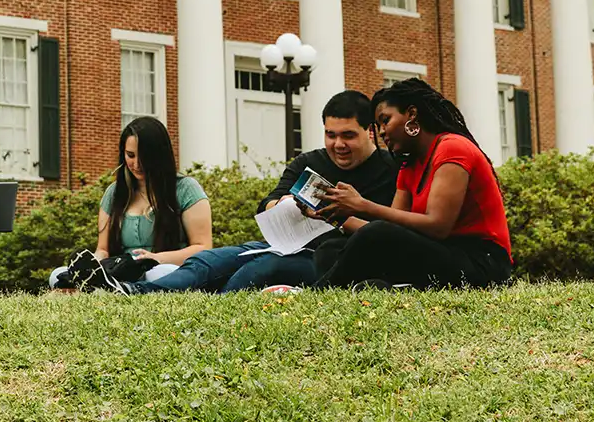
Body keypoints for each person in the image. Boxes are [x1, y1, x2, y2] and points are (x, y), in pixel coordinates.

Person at [71, 91, 396, 295]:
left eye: (348, 136)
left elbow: (392, 236)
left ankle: (208, 304)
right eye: (330, 134)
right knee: (206, 260)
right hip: (287, 243)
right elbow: (267, 202)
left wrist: (341, 217)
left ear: (369, 131)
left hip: (334, 258)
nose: (338, 144)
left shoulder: (389, 170)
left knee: (255, 272)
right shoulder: (310, 162)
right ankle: (128, 289)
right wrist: (281, 203)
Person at [313, 78, 513, 290]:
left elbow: (438, 226)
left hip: (483, 262)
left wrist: (362, 205)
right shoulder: (409, 165)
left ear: (412, 114)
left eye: (385, 120)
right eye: (378, 125)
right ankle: (377, 288)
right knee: (331, 248)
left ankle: (318, 294)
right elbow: (390, 232)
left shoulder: (453, 147)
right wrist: (335, 214)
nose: (381, 132)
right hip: (440, 253)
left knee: (375, 234)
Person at [54, 116, 212, 291]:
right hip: (122, 271)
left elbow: (202, 248)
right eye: (130, 155)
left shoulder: (186, 189)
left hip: (167, 269)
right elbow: (103, 249)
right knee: (57, 275)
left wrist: (155, 258)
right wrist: (90, 267)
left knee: (160, 273)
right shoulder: (113, 193)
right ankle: (106, 285)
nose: (137, 164)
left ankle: (115, 289)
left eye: (144, 156)